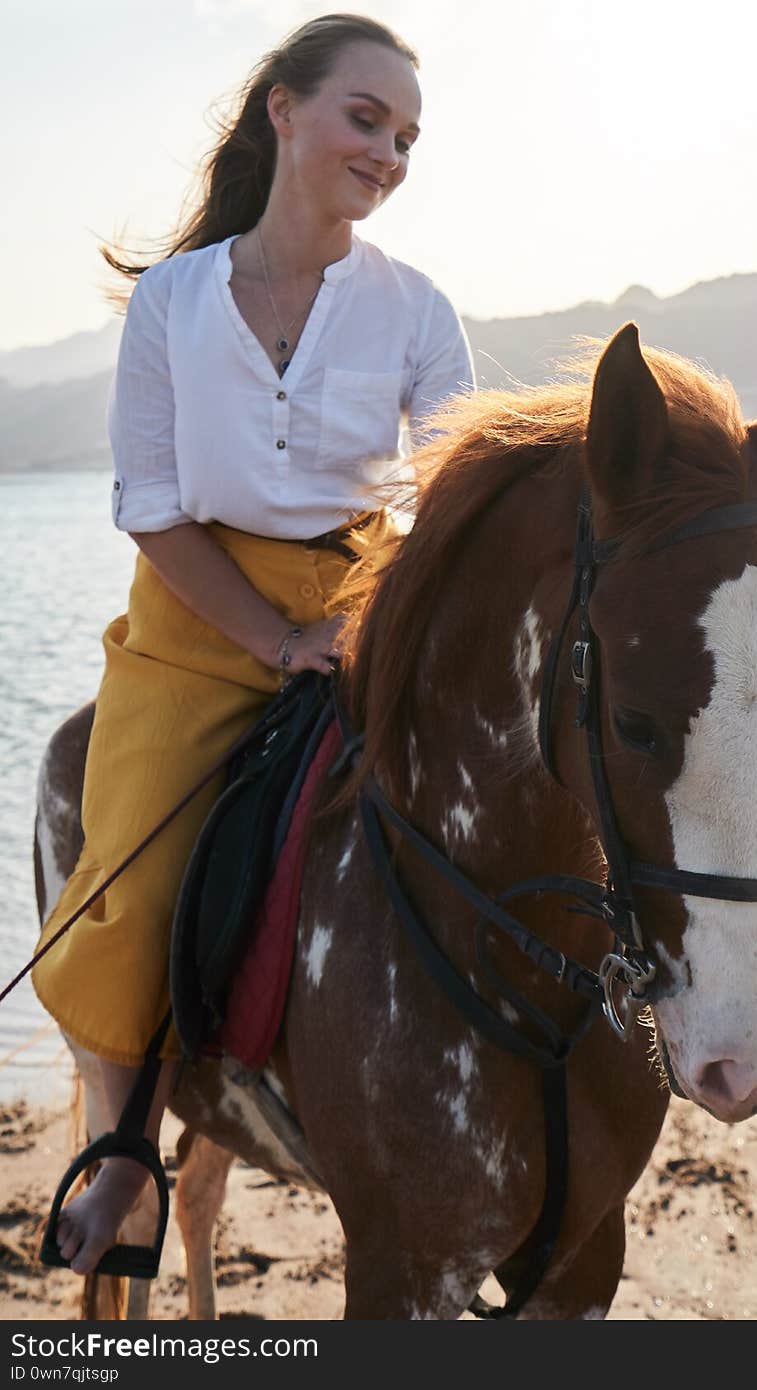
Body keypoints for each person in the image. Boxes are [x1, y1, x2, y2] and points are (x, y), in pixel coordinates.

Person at [32, 12, 474, 1276]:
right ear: (282, 109)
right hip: (195, 613)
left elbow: (445, 495)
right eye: (364, 118)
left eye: (405, 137)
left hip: (359, 602)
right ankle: (123, 1152)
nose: (387, 152)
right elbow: (155, 508)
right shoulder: (173, 302)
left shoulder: (414, 309)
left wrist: (356, 618)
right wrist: (275, 640)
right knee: (130, 868)